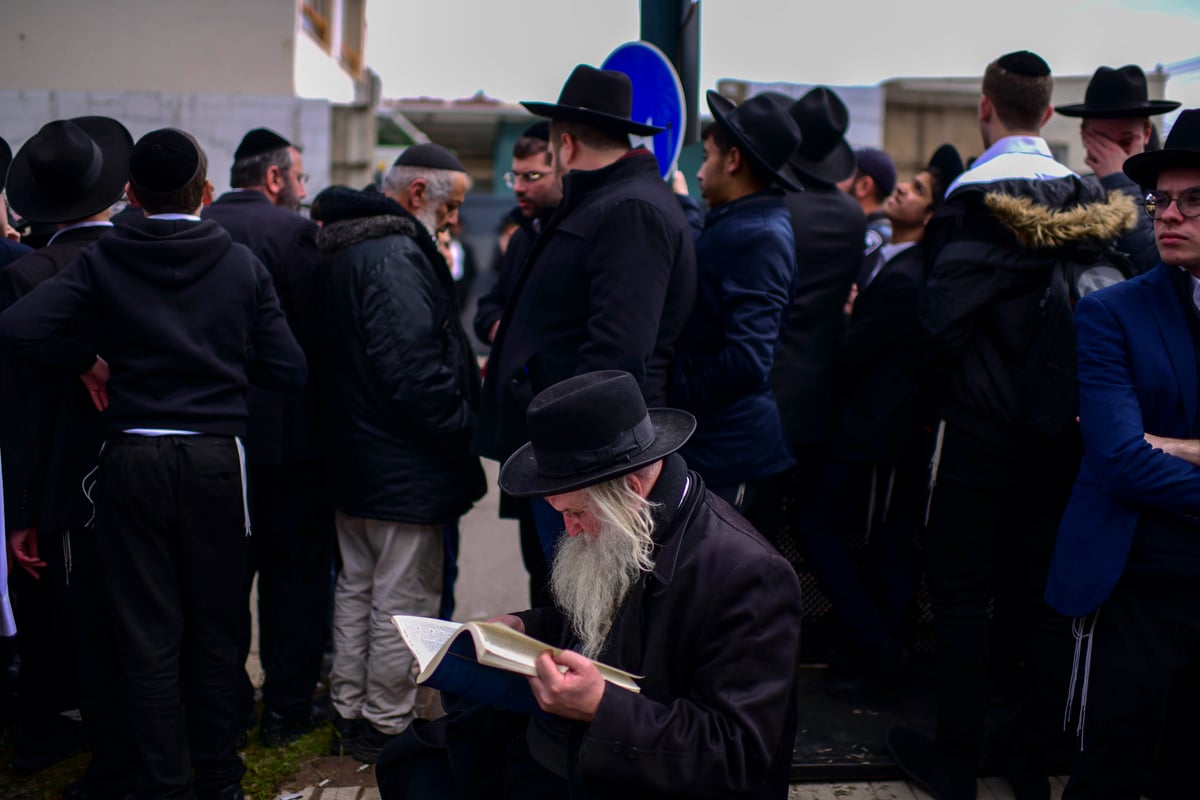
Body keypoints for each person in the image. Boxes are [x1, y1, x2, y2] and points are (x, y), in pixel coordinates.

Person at [0, 127, 307, 800]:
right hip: (216, 459)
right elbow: (289, 369)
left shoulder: (106, 259)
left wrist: (88, 360)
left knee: (146, 629)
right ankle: (220, 777)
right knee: (219, 623)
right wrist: (222, 364)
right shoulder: (239, 265)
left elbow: (18, 328)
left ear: (131, 192)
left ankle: (164, 781)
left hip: (130, 456)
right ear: (205, 192)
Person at [887, 51, 1137, 800]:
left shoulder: (967, 203)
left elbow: (939, 329)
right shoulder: (1091, 198)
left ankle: (957, 762)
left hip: (979, 430)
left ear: (985, 109)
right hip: (1063, 429)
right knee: (1041, 594)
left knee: (962, 592)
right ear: (1050, 114)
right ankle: (1031, 760)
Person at [378, 369, 803, 799]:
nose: (572, 530)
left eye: (577, 512)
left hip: (629, 773)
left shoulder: (750, 576)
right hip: (561, 749)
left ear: (632, 490)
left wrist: (603, 707)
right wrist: (527, 627)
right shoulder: (629, 524)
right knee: (416, 766)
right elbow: (599, 621)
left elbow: (738, 755)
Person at [475, 64, 696, 565]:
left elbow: (617, 353)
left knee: (583, 614)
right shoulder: (606, 203)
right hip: (569, 459)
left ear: (567, 145)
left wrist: (574, 463)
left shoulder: (629, 210)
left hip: (586, 466)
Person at [1044, 108, 1200, 800]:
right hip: (1140, 579)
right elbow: (1119, 459)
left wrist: (1177, 445)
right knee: (1112, 767)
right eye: (1160, 200)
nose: (1168, 215)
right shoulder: (1116, 313)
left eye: (1192, 201)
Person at [317, 142, 485, 765]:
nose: (455, 220)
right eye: (453, 205)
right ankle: (385, 725)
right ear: (419, 195)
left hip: (357, 461)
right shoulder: (393, 255)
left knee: (357, 591)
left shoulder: (348, 246)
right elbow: (415, 373)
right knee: (400, 601)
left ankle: (350, 710)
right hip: (403, 466)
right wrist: (462, 429)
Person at [797, 144, 963, 700]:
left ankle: (879, 649)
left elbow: (852, 351)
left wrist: (845, 317)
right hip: (860, 427)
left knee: (849, 536)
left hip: (877, 434)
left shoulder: (910, 275)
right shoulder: (885, 257)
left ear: (931, 214)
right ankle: (871, 647)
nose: (902, 191)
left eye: (916, 190)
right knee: (858, 538)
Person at [1, 116, 135, 795]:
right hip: (153, 468)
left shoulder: (28, 274)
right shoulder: (146, 253)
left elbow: (20, 411)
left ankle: (104, 756)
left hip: (62, 479)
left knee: (83, 627)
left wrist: (20, 511)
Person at [201, 126, 331, 747]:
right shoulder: (295, 234)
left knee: (218, 584)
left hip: (211, 436)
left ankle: (223, 707)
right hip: (289, 441)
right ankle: (285, 710)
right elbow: (315, 338)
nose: (303, 192)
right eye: (300, 179)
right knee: (295, 581)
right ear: (275, 178)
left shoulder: (198, 228)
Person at [670, 90, 800, 514]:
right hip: (717, 446)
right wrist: (685, 204)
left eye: (707, 156)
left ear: (733, 160)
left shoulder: (760, 235)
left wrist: (682, 403)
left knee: (719, 579)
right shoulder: (739, 219)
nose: (701, 170)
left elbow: (747, 359)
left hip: (731, 453)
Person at [759, 86, 867, 539]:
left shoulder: (776, 205)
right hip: (818, 394)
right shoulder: (852, 215)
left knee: (752, 521)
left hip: (765, 391)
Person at [1056, 64, 1180, 274]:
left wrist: (1119, 182)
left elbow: (1163, 268)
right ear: (1085, 138)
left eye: (1125, 142)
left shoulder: (1176, 196)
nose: (1114, 157)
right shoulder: (1070, 195)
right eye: (1103, 143)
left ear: (1147, 134)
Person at [474, 121, 560, 346]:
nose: (518, 187)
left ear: (563, 172)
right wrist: (496, 325)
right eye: (514, 176)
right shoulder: (522, 238)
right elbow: (491, 304)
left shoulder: (578, 234)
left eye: (532, 176)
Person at [840, 146, 897, 269]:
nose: (837, 181)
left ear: (864, 186)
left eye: (844, 173)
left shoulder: (870, 239)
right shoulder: (883, 230)